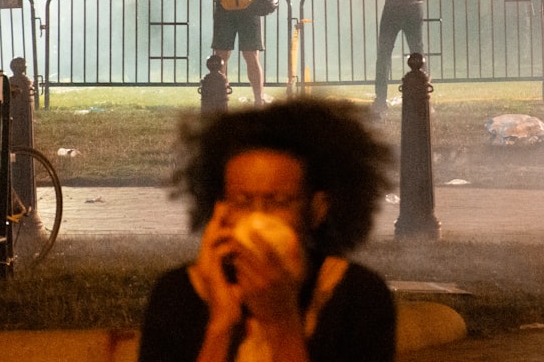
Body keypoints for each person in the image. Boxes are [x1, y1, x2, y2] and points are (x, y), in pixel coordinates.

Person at [138, 98, 396, 362]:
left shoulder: (357, 295)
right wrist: (221, 324)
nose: (258, 217)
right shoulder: (178, 294)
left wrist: (282, 321)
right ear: (221, 209)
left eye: (278, 202)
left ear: (317, 209)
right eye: (243, 202)